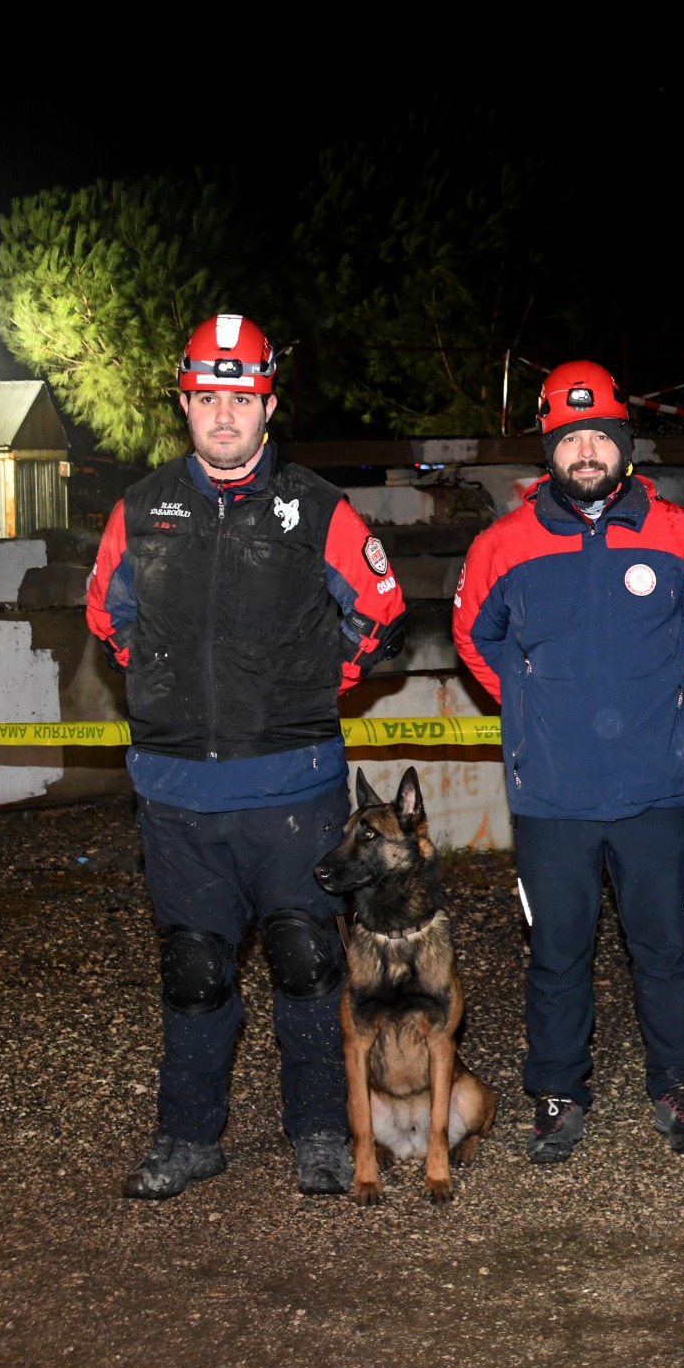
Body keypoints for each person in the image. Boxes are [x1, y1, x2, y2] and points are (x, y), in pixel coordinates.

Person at [86, 314, 408, 1200]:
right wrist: (168, 686)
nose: (223, 415)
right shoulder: (140, 508)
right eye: (207, 399)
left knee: (307, 962)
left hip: (292, 789)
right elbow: (108, 617)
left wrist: (308, 685)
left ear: (269, 406)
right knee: (193, 970)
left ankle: (320, 1132)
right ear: (184, 404)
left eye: (242, 398)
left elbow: (382, 613)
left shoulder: (319, 507)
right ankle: (189, 1137)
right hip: (177, 791)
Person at [453, 361, 684, 1165]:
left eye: (599, 438)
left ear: (624, 445)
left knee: (664, 946)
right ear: (550, 451)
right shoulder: (502, 544)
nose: (585, 452)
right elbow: (476, 637)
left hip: (654, 788)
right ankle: (557, 1092)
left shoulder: (680, 534)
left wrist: (657, 691)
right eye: (570, 439)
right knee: (557, 953)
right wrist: (534, 700)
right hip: (552, 794)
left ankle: (678, 1083)